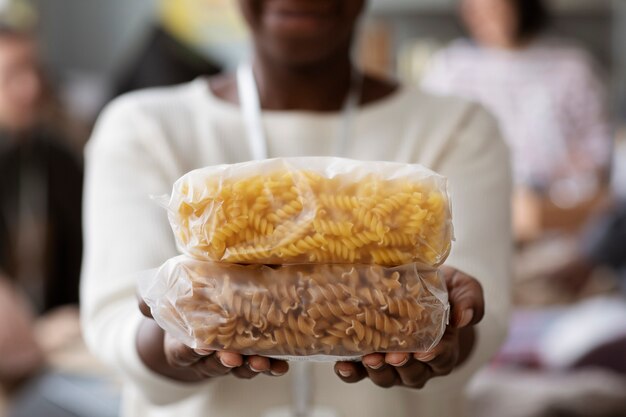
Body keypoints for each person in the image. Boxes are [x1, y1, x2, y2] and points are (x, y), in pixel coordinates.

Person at [81, 1, 512, 416]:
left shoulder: (459, 127)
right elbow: (115, 323)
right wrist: (174, 332)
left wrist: (448, 326)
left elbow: (479, 314)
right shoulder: (142, 127)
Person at [422, 0, 613, 236]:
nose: (485, 18)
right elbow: (431, 146)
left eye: (496, 9)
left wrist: (555, 192)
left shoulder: (570, 66)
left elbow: (599, 147)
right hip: (471, 214)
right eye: (475, 10)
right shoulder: (449, 68)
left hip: (555, 219)